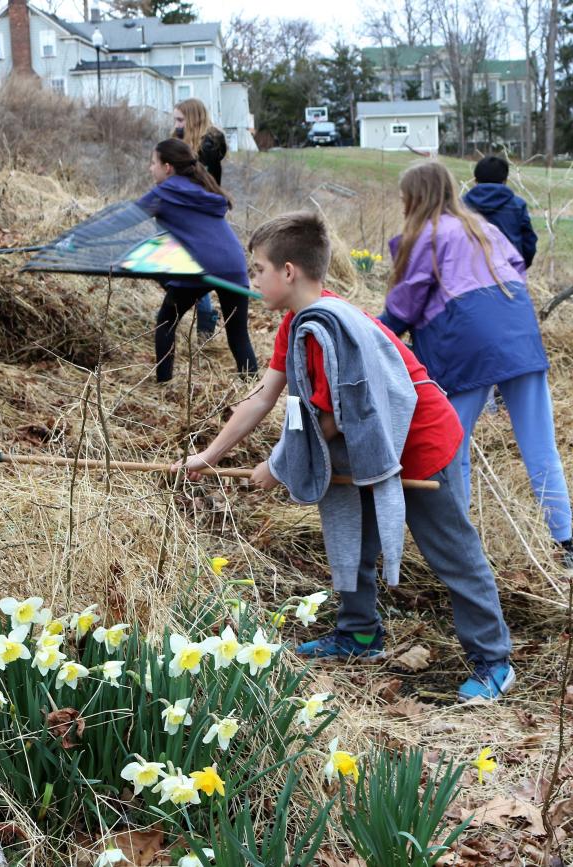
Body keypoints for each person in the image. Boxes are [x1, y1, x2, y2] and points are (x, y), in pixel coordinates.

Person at [176, 211, 516, 701]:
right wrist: (207, 456)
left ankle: (494, 661)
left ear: (288, 271)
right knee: (352, 534)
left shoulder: (326, 329)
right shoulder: (296, 323)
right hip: (363, 446)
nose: (251, 279)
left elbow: (333, 416)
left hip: (416, 444)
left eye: (257, 269)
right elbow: (262, 398)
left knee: (452, 552)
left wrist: (277, 466)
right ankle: (359, 635)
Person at [378, 161, 573, 569]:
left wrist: (369, 331)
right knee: (541, 447)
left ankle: (460, 544)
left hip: (468, 348)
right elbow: (518, 269)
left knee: (453, 447)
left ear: (415, 198)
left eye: (404, 199)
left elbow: (405, 304)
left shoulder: (427, 236)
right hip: (521, 339)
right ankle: (566, 544)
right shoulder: (483, 229)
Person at [138, 138, 257, 382]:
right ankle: (254, 391)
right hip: (233, 263)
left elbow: (126, 218)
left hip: (200, 267)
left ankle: (163, 384)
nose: (151, 168)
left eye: (153, 163)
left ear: (167, 167)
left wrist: (78, 240)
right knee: (238, 335)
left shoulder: (165, 191)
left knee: (166, 321)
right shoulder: (202, 186)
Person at [173, 99, 229, 341]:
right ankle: (205, 323)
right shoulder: (183, 142)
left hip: (201, 214)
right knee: (191, 267)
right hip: (187, 213)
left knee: (198, 268)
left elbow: (202, 186)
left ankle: (206, 324)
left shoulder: (206, 148)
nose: (175, 125)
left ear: (193, 120)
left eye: (180, 120)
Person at [462, 155, 537, 269]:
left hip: (470, 275)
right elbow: (529, 243)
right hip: (509, 272)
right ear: (505, 180)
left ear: (476, 180)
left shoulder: (460, 206)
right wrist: (520, 268)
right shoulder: (517, 205)